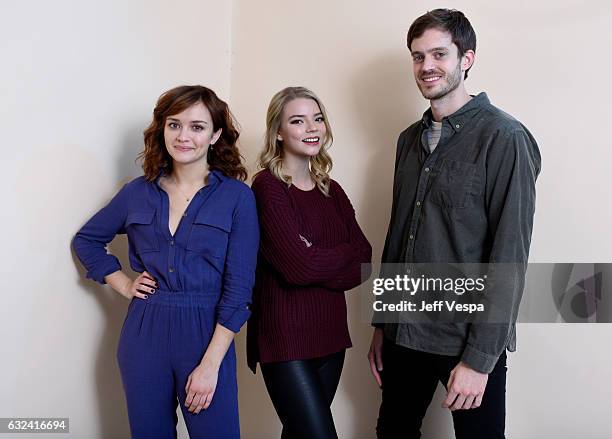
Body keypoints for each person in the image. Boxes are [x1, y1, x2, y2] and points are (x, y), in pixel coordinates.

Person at [368, 9, 541, 439]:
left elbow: (509, 256)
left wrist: (480, 359)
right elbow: (399, 236)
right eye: (417, 56)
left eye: (439, 54)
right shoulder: (408, 141)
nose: (427, 66)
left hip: (465, 339)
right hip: (404, 332)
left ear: (467, 58)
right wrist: (383, 324)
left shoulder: (505, 138)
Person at [72, 85, 259, 439]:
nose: (183, 136)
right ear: (162, 129)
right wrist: (123, 283)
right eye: (174, 125)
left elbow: (239, 290)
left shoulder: (237, 198)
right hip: (144, 332)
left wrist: (210, 364)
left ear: (216, 135)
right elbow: (87, 240)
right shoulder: (136, 192)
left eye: (197, 127)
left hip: (206, 332)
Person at [247, 86, 372, 439]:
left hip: (330, 335)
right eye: (298, 121)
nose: (312, 128)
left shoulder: (331, 190)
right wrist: (329, 257)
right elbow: (296, 267)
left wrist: (313, 253)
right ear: (278, 132)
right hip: (285, 338)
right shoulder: (267, 188)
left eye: (317, 119)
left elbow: (365, 260)